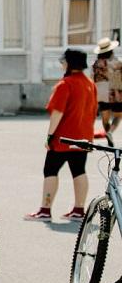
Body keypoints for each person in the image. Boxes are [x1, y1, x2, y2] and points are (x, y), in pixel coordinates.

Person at [27, 48, 96, 222]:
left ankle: (45, 209)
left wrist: (49, 136)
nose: (62, 64)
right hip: (83, 137)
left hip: (63, 138)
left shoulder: (65, 84)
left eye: (63, 61)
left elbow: (57, 113)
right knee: (79, 170)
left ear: (69, 63)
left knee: (50, 170)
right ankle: (79, 210)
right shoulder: (90, 84)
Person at [92, 38, 122, 143]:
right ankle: (110, 132)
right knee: (118, 116)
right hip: (116, 92)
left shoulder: (95, 64)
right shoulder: (117, 62)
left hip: (101, 93)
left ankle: (107, 133)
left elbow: (93, 80)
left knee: (105, 118)